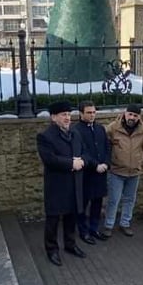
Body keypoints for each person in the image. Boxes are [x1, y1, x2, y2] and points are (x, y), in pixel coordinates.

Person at [36, 101, 88, 266]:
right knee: (53, 219)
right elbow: (49, 159)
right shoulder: (45, 137)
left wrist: (82, 161)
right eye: (63, 115)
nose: (67, 118)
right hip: (57, 186)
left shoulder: (75, 133)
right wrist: (71, 163)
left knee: (71, 216)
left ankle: (70, 244)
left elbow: (85, 152)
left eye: (69, 114)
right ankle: (52, 249)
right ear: (53, 117)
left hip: (74, 184)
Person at [103, 105, 143, 237]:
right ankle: (108, 225)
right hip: (116, 171)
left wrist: (138, 160)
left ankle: (125, 223)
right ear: (125, 113)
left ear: (139, 117)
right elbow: (106, 146)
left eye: (135, 116)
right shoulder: (113, 128)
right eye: (130, 114)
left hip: (134, 171)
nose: (132, 118)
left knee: (130, 199)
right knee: (113, 200)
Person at [72, 101, 110, 245]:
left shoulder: (100, 128)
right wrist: (95, 165)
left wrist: (106, 163)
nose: (92, 115)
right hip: (86, 174)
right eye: (89, 112)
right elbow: (81, 152)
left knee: (97, 203)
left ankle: (94, 228)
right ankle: (83, 231)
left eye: (94, 112)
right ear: (81, 113)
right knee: (82, 204)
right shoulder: (76, 130)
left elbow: (107, 147)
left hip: (101, 173)